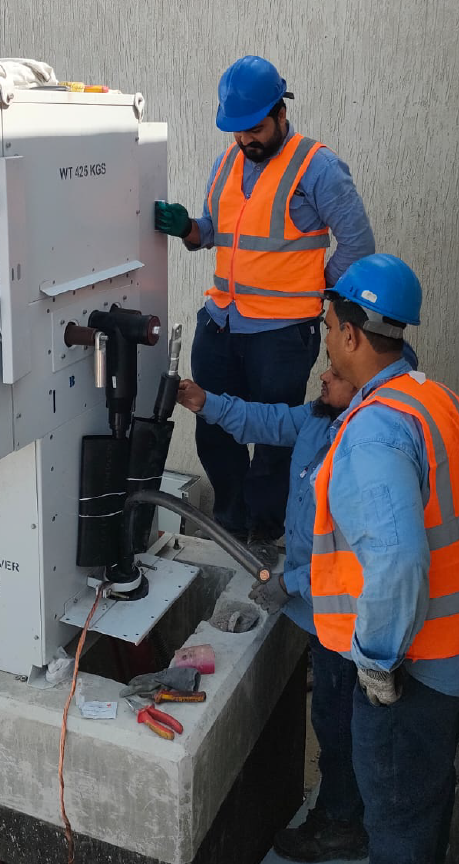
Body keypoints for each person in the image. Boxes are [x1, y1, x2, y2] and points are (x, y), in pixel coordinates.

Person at [155, 55, 374, 566]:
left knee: (274, 442)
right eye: (237, 131)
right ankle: (230, 523)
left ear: (280, 112)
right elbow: (214, 231)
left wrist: (315, 286)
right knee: (213, 427)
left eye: (254, 129)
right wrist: (187, 228)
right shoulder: (227, 163)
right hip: (221, 323)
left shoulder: (317, 167)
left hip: (281, 335)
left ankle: (265, 532)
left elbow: (358, 244)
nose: (245, 140)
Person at [311, 253, 459, 864]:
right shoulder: (435, 399)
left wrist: (377, 660)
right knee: (425, 793)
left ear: (352, 335)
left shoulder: (374, 432)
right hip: (454, 647)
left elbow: (399, 558)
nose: (328, 339)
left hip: (410, 663)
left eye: (330, 327)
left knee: (395, 805)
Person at [176, 367, 368, 863]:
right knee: (333, 717)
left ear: (364, 381)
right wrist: (204, 402)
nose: (323, 375)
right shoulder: (320, 418)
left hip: (346, 618)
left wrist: (289, 584)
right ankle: (345, 809)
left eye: (337, 373)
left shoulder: (366, 445)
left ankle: (341, 823)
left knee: (339, 723)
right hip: (321, 606)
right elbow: (267, 421)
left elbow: (354, 557)